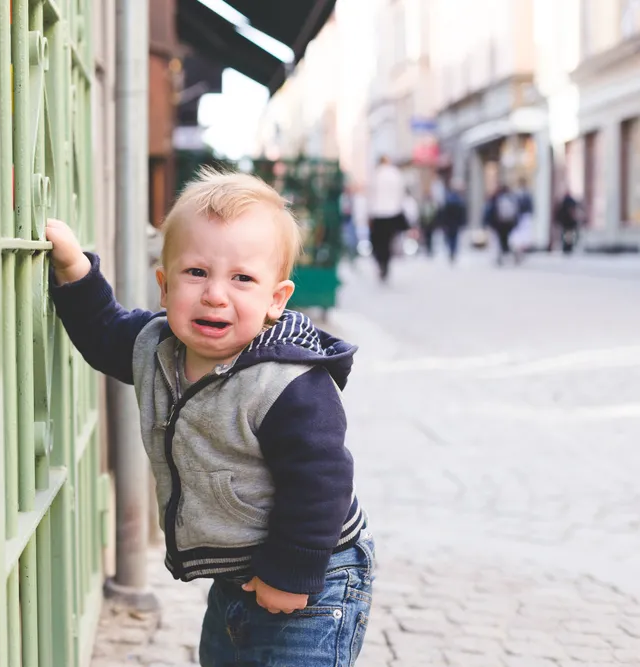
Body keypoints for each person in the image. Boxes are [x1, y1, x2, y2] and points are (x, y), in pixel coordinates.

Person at [46, 169, 374, 667]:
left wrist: (289, 573)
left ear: (276, 300)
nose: (216, 294)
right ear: (164, 285)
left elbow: (321, 481)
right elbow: (103, 332)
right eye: (196, 273)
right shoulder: (156, 347)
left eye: (242, 278)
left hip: (315, 575)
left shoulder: (288, 384)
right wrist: (73, 268)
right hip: (237, 574)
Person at [368, 155, 407, 282]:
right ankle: (386, 264)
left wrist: (368, 213)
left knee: (378, 242)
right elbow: (401, 194)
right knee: (388, 241)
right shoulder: (396, 174)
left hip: (378, 213)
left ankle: (381, 263)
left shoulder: (376, 174)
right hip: (392, 213)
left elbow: (370, 196)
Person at [485, 184, 520, 265]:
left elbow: (490, 211)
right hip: (509, 223)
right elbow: (516, 212)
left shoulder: (496, 198)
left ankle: (502, 257)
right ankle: (510, 254)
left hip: (499, 223)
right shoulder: (511, 198)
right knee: (506, 240)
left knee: (501, 241)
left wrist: (489, 222)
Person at [435, 180, 467, 264]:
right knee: (454, 238)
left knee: (449, 238)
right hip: (455, 224)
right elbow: (462, 214)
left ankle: (451, 251)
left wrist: (442, 223)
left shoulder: (448, 200)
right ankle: (453, 251)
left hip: (449, 224)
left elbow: (443, 213)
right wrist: (462, 222)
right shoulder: (459, 201)